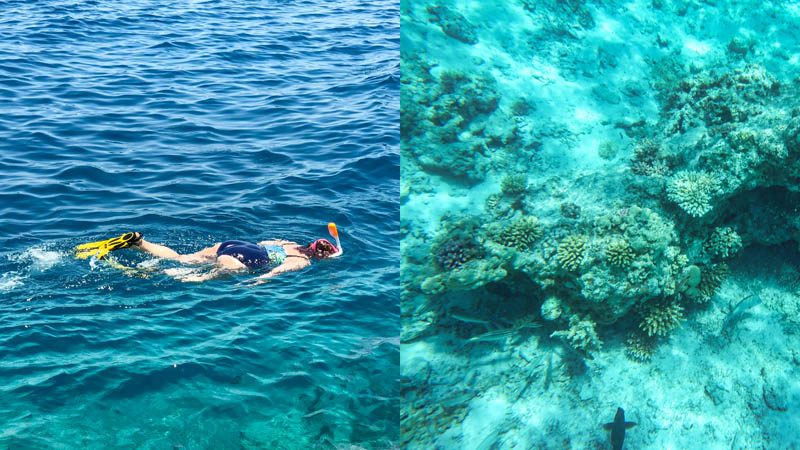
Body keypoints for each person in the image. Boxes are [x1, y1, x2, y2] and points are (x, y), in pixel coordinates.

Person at [75, 231, 340, 282]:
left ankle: (139, 243)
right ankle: (142, 274)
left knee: (181, 258)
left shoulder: (290, 244)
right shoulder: (303, 261)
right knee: (189, 279)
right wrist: (260, 281)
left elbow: (263, 242)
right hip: (243, 261)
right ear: (321, 256)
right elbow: (280, 270)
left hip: (235, 244)